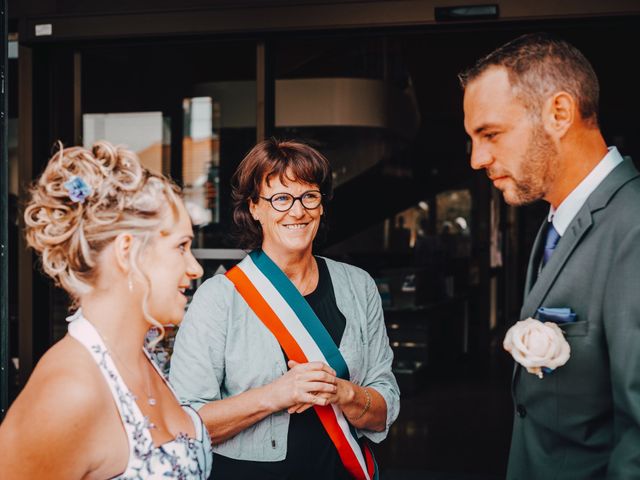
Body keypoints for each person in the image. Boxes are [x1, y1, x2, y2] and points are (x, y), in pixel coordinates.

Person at [460, 32, 640, 478]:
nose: (477, 159)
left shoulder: (633, 227)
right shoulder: (556, 221)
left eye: (491, 134)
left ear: (559, 113)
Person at [169, 138, 400, 480]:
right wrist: (276, 394)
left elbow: (383, 411)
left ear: (321, 205)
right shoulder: (219, 297)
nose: (297, 211)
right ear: (254, 207)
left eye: (309, 196)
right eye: (280, 198)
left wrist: (343, 392)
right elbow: (185, 426)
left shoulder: (358, 286)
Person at [0, 141, 212, 479]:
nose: (195, 268)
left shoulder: (144, 357)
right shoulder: (68, 394)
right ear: (127, 251)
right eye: (181, 247)